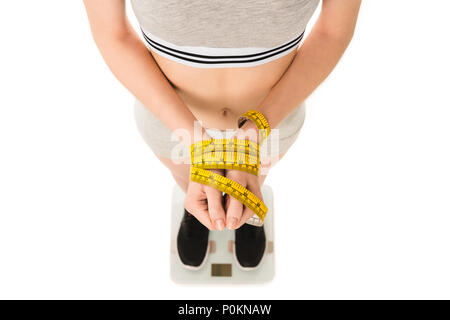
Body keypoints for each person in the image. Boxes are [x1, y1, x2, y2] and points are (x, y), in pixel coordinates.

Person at [83, 0, 362, 270]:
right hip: (171, 120)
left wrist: (255, 132)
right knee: (186, 178)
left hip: (274, 118)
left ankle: (245, 212)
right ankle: (197, 211)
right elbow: (113, 33)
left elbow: (332, 31)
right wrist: (197, 143)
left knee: (254, 177)